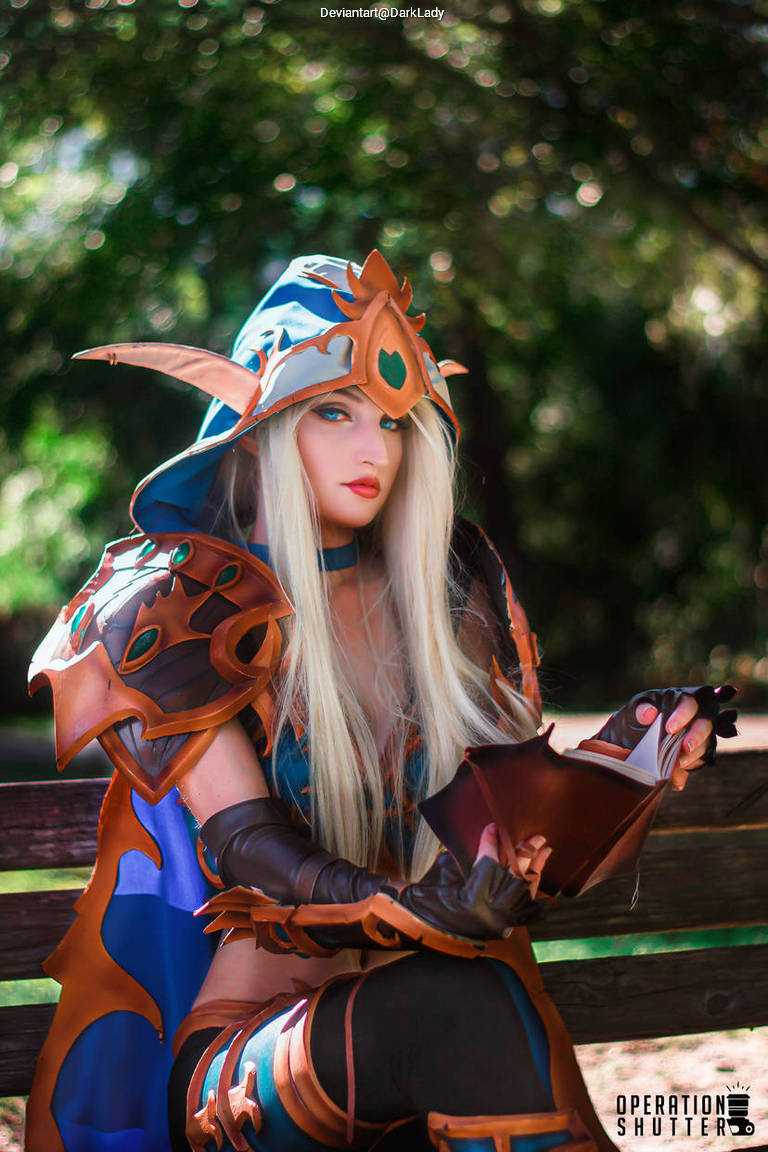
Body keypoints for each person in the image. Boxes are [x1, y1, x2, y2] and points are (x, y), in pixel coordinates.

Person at [27, 251, 721, 1152]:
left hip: (450, 1029)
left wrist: (627, 766)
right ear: (263, 429)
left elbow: (521, 858)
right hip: (251, 1061)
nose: (375, 450)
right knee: (456, 1003)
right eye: (334, 411)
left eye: (395, 421)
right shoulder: (176, 604)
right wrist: (410, 908)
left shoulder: (448, 592)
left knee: (467, 1001)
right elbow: (251, 846)